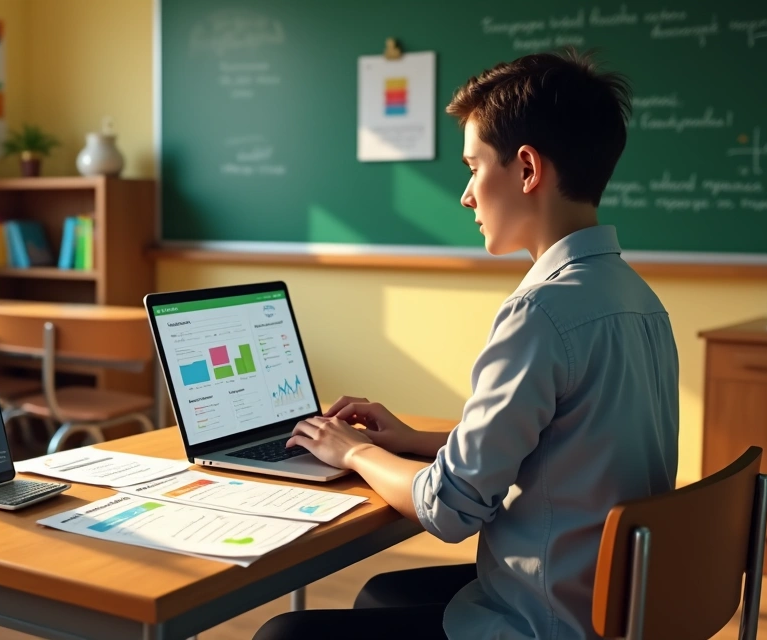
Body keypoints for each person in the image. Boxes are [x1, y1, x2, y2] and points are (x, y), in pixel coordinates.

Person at [254, 48, 680, 640]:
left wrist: (354, 452)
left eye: (473, 167)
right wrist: (407, 440)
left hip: (546, 618)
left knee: (283, 634)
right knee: (380, 595)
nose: (465, 195)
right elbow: (558, 446)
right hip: (613, 601)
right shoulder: (637, 299)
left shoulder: (541, 311)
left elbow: (449, 511)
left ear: (527, 170)